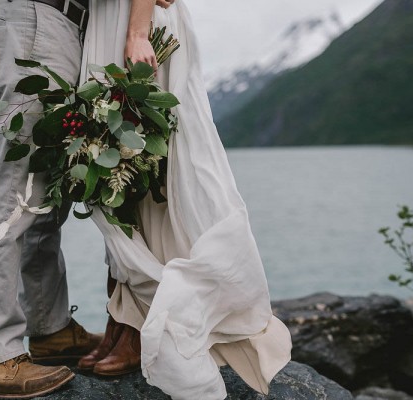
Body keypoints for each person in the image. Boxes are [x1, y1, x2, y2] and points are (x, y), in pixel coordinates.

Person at [77, 1, 293, 399]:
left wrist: (137, 32)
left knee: (151, 166)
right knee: (113, 167)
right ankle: (120, 319)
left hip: (133, 24)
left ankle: (140, 326)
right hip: (110, 23)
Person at [0, 0, 177, 398]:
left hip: (55, 23)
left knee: (43, 191)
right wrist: (136, 27)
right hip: (38, 19)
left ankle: (50, 330)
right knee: (16, 194)